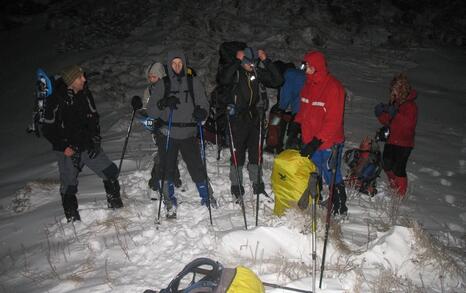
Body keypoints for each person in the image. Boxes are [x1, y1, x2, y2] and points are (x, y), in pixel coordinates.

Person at [42, 65, 123, 222]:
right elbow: (47, 128)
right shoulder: (55, 99)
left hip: (87, 146)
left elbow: (93, 118)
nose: (84, 79)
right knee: (69, 186)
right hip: (68, 150)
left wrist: (95, 139)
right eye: (80, 77)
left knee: (111, 172)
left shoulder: (85, 94)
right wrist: (63, 146)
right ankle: (73, 221)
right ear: (71, 80)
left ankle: (117, 208)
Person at [146, 49, 215, 218]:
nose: (177, 67)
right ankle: (169, 202)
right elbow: (151, 111)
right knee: (166, 169)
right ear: (169, 66)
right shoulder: (163, 84)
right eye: (173, 64)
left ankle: (207, 197)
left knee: (196, 167)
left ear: (184, 64)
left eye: (180, 63)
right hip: (167, 132)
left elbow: (204, 104)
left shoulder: (194, 82)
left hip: (188, 133)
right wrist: (163, 103)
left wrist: (202, 112)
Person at [217, 47, 283, 200]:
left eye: (253, 62)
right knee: (237, 152)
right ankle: (236, 185)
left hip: (255, 117)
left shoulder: (257, 73)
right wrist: (236, 61)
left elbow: (278, 80)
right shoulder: (236, 73)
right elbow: (223, 79)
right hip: (237, 119)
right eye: (247, 62)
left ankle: (257, 184)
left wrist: (266, 60)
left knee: (256, 152)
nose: (251, 65)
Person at [296, 51, 348, 216]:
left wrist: (316, 141)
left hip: (328, 141)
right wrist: (297, 129)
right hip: (311, 140)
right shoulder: (307, 85)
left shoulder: (334, 88)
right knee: (314, 170)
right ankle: (316, 199)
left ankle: (340, 206)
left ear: (316, 67)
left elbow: (333, 121)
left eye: (308, 66)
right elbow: (304, 111)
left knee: (331, 172)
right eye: (304, 65)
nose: (305, 70)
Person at [142, 62, 182, 199]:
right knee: (162, 155)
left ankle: (174, 179)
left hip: (172, 125)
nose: (151, 79)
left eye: (154, 77)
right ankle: (154, 184)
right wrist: (153, 128)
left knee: (172, 153)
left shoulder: (169, 87)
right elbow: (145, 113)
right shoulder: (148, 91)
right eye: (150, 77)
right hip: (158, 128)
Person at [375, 72, 417, 197]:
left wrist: (395, 114)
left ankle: (400, 193)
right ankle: (394, 185)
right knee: (386, 164)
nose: (393, 92)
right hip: (392, 140)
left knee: (399, 168)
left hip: (404, 143)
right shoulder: (395, 103)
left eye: (395, 90)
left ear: (401, 89)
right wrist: (380, 114)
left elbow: (407, 124)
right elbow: (388, 120)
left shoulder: (411, 106)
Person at [279, 66, 306, 149]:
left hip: (299, 110)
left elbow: (286, 94)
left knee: (293, 130)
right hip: (311, 110)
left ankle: (289, 149)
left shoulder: (290, 75)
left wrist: (282, 108)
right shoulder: (305, 75)